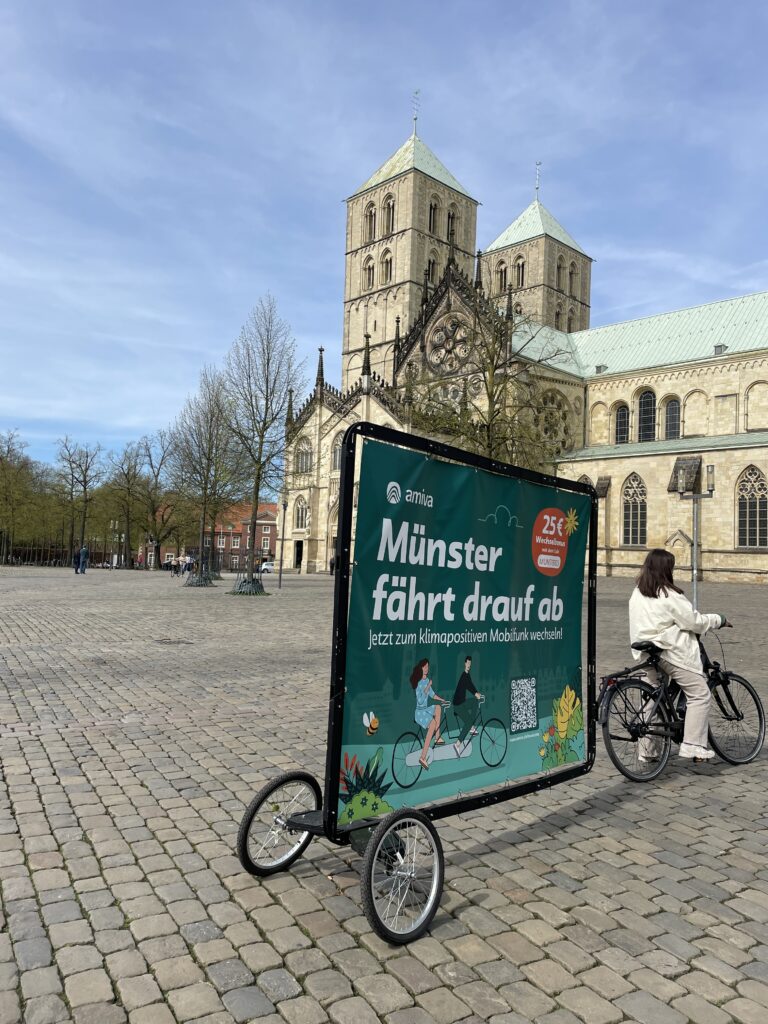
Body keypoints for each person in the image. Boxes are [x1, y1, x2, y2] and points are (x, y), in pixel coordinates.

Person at [629, 548, 730, 762]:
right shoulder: (669, 594)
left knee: (653, 698)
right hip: (668, 651)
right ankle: (692, 745)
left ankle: (648, 751)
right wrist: (718, 619)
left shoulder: (638, 591)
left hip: (644, 652)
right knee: (699, 693)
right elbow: (694, 621)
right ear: (666, 569)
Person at [410, 658, 449, 771]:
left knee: (438, 708)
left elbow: (432, 695)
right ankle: (423, 757)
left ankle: (437, 737)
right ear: (421, 668)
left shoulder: (426, 680)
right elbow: (421, 700)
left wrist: (442, 700)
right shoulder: (418, 683)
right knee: (432, 724)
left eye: (428, 667)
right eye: (425, 667)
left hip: (425, 710)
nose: (427, 669)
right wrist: (427, 686)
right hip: (419, 712)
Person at [453, 655, 484, 753]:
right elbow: (467, 684)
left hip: (463, 702)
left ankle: (471, 727)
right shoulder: (463, 676)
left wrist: (477, 693)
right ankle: (458, 743)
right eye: (468, 663)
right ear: (465, 663)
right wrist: (475, 693)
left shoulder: (467, 675)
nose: (469, 665)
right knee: (468, 721)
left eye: (470, 663)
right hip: (458, 705)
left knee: (475, 701)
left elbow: (470, 685)